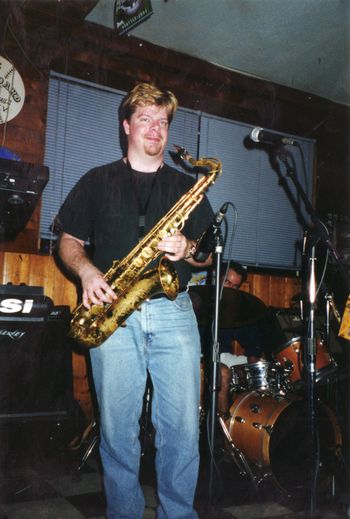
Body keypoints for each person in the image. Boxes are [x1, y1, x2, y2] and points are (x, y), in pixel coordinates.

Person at [57, 83, 214, 519]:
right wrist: (87, 271)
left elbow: (207, 257)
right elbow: (67, 241)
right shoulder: (96, 180)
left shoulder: (188, 189)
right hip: (112, 311)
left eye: (162, 121)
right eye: (145, 119)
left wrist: (188, 251)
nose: (155, 129)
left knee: (182, 428)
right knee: (117, 429)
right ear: (126, 125)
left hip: (173, 309)